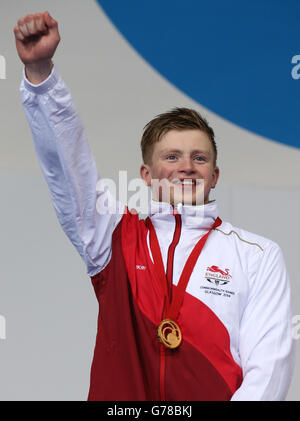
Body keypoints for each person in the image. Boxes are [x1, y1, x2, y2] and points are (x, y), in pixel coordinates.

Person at [14, 11, 295, 401]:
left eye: (199, 158)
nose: (186, 167)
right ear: (146, 175)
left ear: (215, 176)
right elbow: (68, 166)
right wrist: (42, 77)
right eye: (172, 156)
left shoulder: (258, 255)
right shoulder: (112, 236)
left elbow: (270, 370)